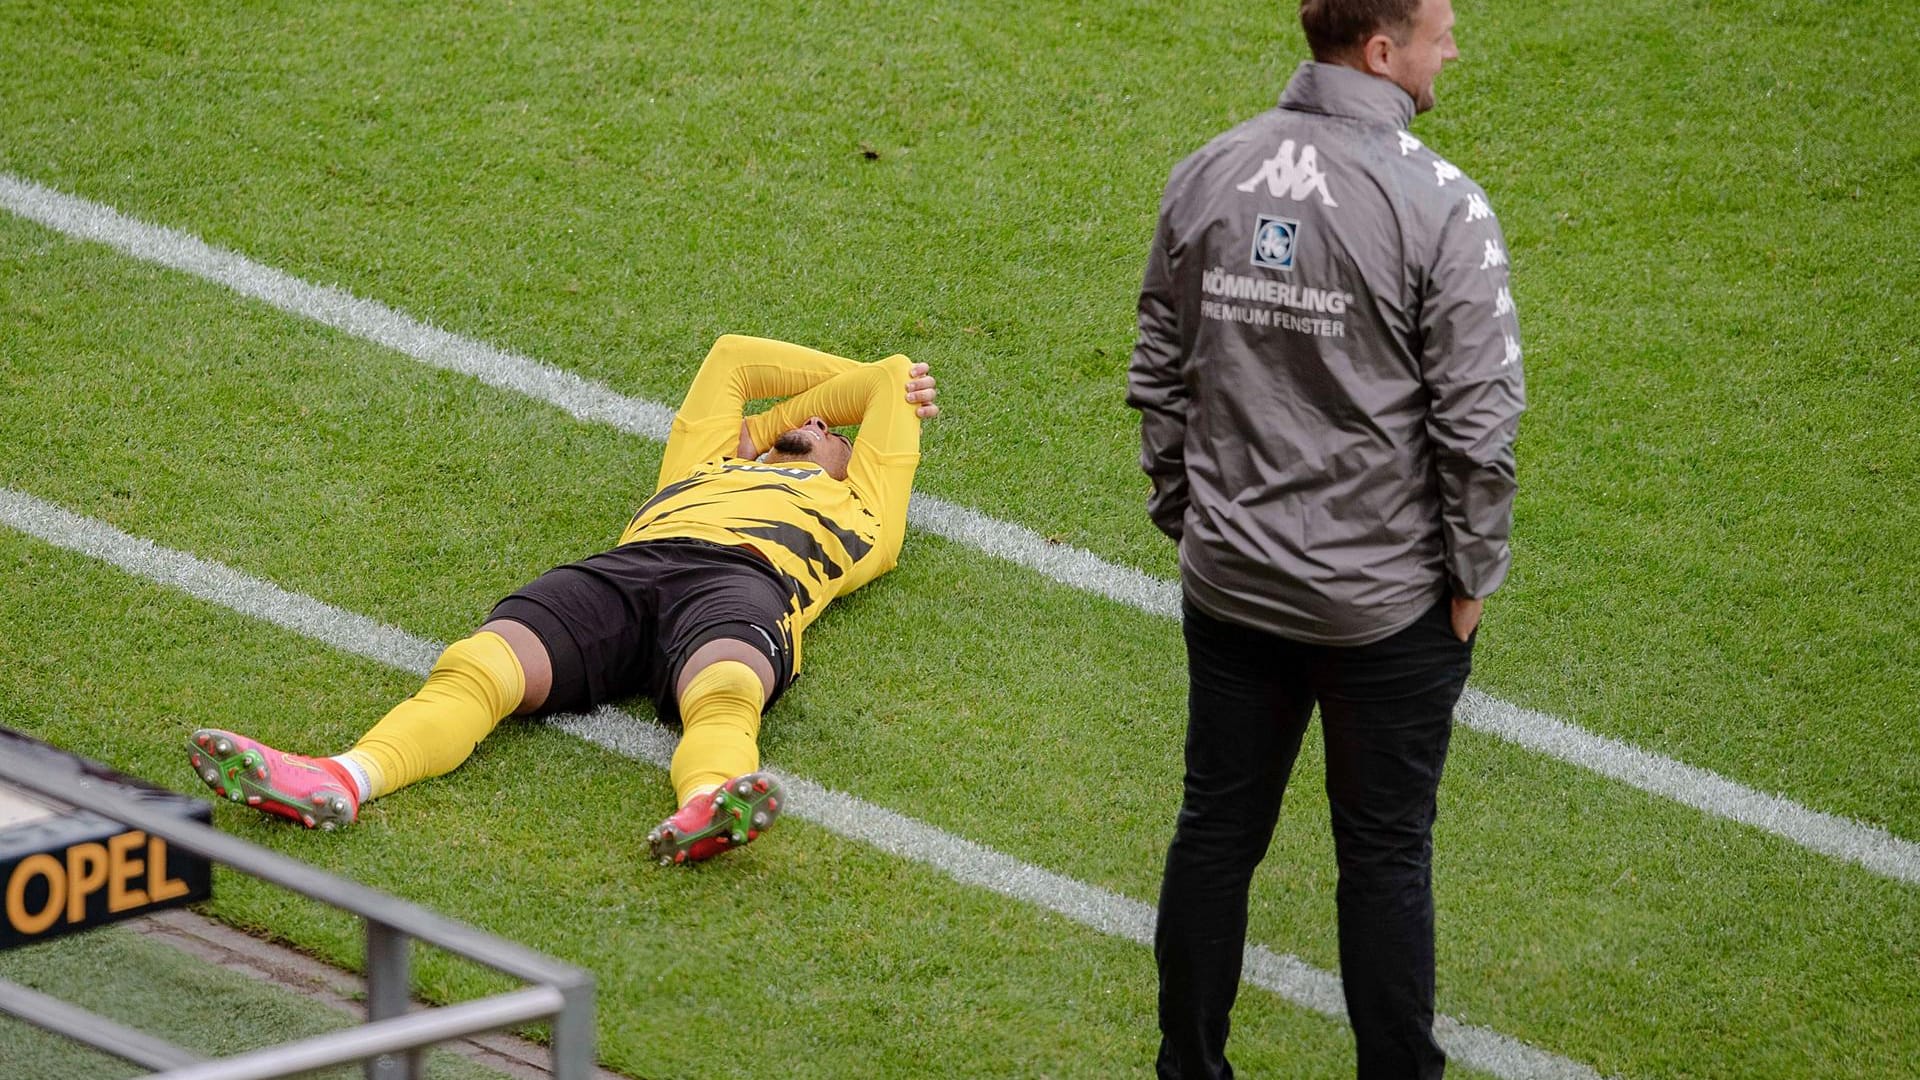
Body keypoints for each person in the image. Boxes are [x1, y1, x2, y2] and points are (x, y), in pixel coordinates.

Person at [1126, 0, 1524, 1075]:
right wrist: (1474, 574)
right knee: (1385, 858)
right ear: (1381, 49)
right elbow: (1478, 432)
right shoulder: (1442, 205)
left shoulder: (1207, 170)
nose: (1456, 47)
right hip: (1384, 613)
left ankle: (1187, 1070)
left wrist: (1193, 520)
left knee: (1215, 833)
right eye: (1441, 29)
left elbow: (1158, 374)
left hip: (1230, 586)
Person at [187, 334, 939, 866]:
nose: (816, 421)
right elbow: (733, 357)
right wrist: (766, 430)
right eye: (807, 418)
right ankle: (345, 777)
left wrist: (808, 412)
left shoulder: (867, 512)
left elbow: (888, 380)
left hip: (743, 581)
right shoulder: (699, 465)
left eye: (833, 430)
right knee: (479, 664)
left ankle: (709, 804)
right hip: (624, 571)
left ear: (858, 457)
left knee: (727, 687)